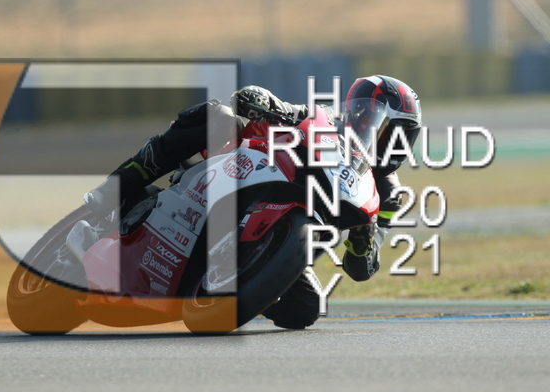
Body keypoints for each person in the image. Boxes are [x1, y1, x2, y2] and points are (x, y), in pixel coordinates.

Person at [84, 75, 422, 329]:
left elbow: (361, 270)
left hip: (276, 243)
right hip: (241, 180)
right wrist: (265, 102)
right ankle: (119, 186)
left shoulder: (385, 195)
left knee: (305, 308)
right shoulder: (326, 123)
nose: (392, 142)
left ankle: (232, 284)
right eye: (386, 129)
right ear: (359, 113)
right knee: (219, 117)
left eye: (402, 135)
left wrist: (363, 241)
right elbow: (286, 111)